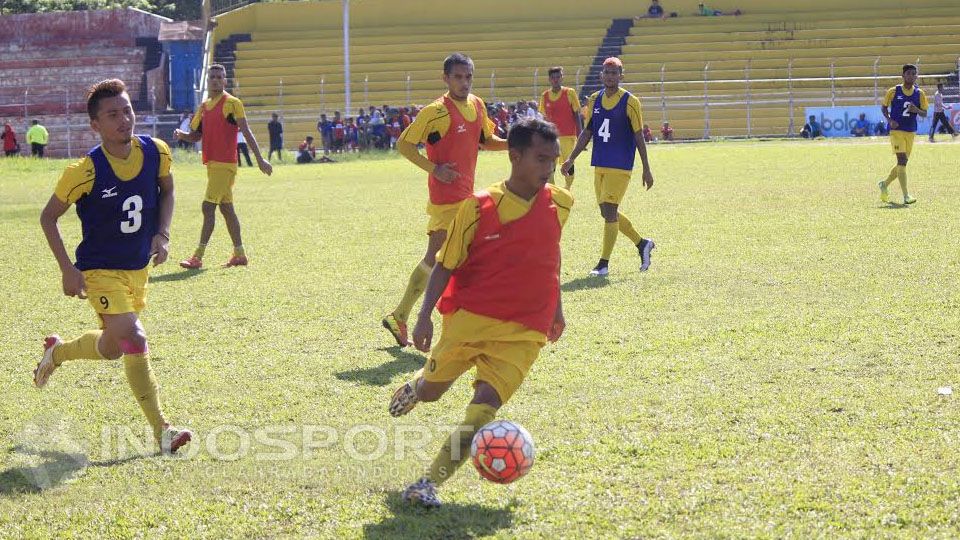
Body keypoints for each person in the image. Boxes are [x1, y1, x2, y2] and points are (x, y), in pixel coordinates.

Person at [390, 118, 572, 508]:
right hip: (469, 321)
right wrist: (423, 316)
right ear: (515, 156)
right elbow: (446, 264)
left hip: (526, 329)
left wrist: (557, 307)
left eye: (553, 160)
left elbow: (549, 255)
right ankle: (418, 387)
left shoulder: (560, 203)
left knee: (482, 410)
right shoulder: (478, 206)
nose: (549, 168)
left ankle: (428, 483)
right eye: (541, 159)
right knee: (433, 392)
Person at [36, 78, 191, 454]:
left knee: (113, 348)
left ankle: (57, 352)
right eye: (112, 115)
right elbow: (48, 217)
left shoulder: (156, 152)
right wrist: (68, 269)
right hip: (100, 271)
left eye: (127, 110)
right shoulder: (84, 171)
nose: (124, 120)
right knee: (134, 338)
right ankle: (163, 431)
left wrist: (163, 233)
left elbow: (167, 190)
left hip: (137, 269)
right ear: (96, 125)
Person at [383, 52, 507, 347]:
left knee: (440, 259)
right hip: (446, 199)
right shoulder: (435, 112)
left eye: (468, 77)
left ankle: (401, 316)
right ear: (445, 78)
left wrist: (512, 144)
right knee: (459, 258)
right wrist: (434, 169)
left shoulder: (477, 104)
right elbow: (404, 144)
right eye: (458, 77)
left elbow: (485, 140)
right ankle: (466, 326)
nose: (464, 82)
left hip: (466, 196)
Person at [561, 57, 656, 276]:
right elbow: (588, 132)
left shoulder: (631, 101)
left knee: (610, 210)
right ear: (601, 75)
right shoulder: (594, 99)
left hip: (621, 164)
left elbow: (638, 135)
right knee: (606, 212)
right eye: (607, 72)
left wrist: (646, 168)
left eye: (614, 73)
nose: (610, 76)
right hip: (600, 163)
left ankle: (603, 264)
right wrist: (571, 158)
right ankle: (642, 243)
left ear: (621, 76)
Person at [174, 63, 272, 269]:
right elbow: (196, 135)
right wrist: (182, 135)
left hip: (225, 164)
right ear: (207, 81)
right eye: (212, 77)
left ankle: (197, 256)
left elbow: (246, 131)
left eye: (220, 77)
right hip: (212, 164)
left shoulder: (233, 103)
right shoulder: (203, 107)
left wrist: (260, 159)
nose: (216, 80)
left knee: (208, 206)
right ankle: (240, 254)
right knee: (227, 209)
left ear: (225, 81)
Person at [878, 64, 927, 205]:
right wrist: (890, 120)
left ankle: (884, 184)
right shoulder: (893, 91)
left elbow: (924, 113)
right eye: (909, 73)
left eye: (914, 74)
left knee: (903, 163)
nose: (911, 76)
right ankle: (906, 196)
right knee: (901, 160)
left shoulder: (919, 93)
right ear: (903, 76)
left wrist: (916, 110)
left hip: (910, 131)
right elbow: (884, 107)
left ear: (916, 76)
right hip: (896, 131)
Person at [538, 66, 583, 189]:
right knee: (550, 163)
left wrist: (580, 134)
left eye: (558, 77)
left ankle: (567, 187)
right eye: (553, 77)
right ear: (549, 79)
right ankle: (552, 189)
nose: (555, 80)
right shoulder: (544, 96)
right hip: (551, 137)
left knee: (568, 162)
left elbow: (576, 114)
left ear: (562, 78)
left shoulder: (569, 92)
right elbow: (544, 118)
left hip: (568, 136)